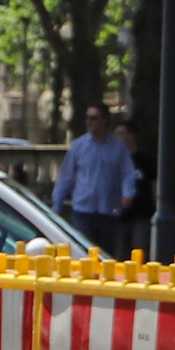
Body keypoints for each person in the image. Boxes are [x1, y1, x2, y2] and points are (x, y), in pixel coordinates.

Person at [51, 105, 138, 257]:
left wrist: (128, 192)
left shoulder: (118, 147)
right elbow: (66, 177)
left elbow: (128, 173)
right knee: (82, 254)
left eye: (94, 118)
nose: (89, 122)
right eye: (88, 118)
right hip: (83, 211)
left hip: (108, 212)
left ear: (105, 120)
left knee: (105, 256)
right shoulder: (78, 146)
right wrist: (57, 205)